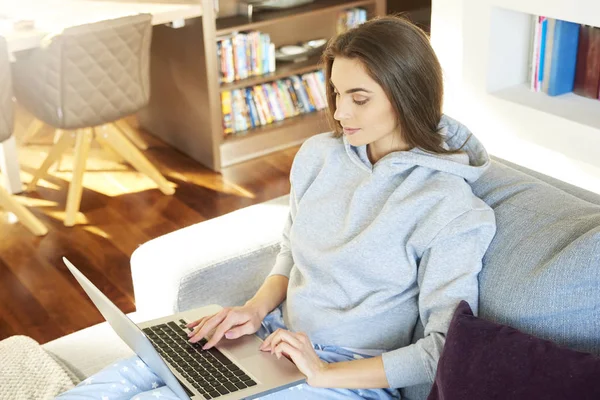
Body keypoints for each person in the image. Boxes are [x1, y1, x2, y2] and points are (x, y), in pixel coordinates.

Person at [58, 14, 496, 400]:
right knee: (124, 376)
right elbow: (290, 247)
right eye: (336, 92)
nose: (341, 112)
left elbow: (445, 349)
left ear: (408, 95)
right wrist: (254, 308)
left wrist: (323, 372)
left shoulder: (450, 208)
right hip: (273, 342)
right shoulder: (319, 155)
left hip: (348, 381)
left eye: (359, 98)